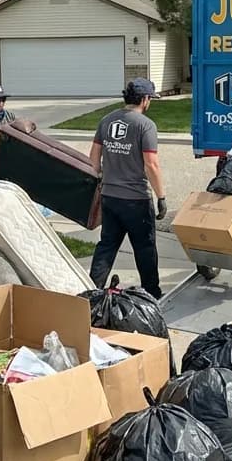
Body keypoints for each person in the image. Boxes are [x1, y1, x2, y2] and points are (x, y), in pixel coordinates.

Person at [88, 78, 167, 299]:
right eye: (150, 98)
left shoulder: (106, 120)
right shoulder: (145, 125)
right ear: (144, 99)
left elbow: (94, 159)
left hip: (110, 196)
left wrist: (102, 178)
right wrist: (161, 196)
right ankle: (152, 292)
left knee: (107, 245)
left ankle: (92, 290)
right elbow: (151, 164)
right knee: (144, 248)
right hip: (136, 199)